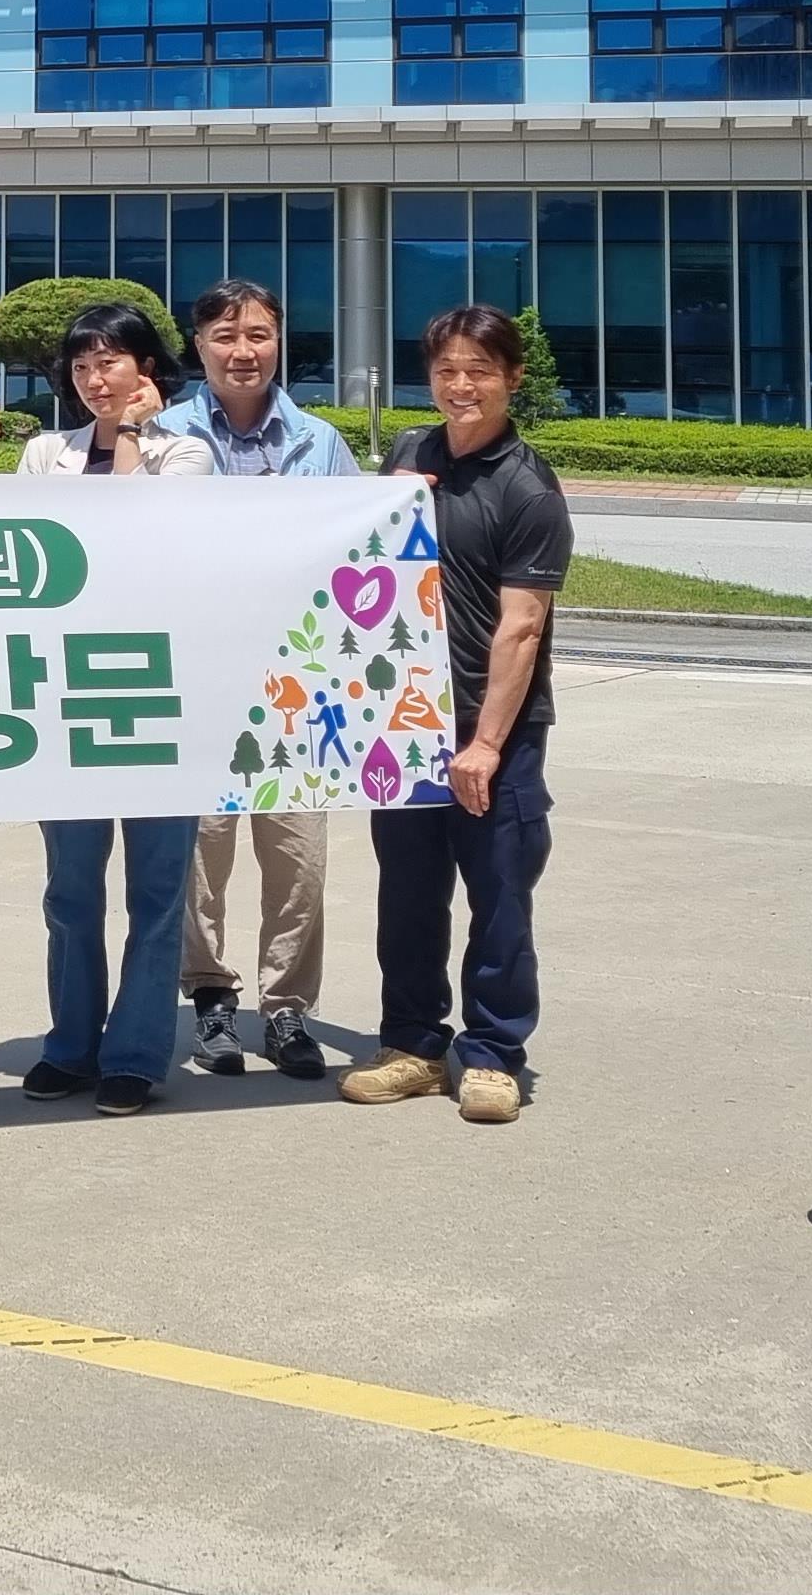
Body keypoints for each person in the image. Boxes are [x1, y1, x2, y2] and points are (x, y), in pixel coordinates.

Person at [343, 303, 571, 1129]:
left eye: (480, 370)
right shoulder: (410, 453)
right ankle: (410, 1045)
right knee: (407, 895)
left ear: (512, 378)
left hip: (492, 733)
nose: (461, 384)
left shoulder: (528, 488)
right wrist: (382, 502)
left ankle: (494, 1054)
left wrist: (484, 744)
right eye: (447, 369)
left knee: (501, 896)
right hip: (404, 723)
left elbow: (522, 627)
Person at [13, 299, 214, 1116]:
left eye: (111, 362)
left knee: (159, 889)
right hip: (65, 694)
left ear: (148, 372)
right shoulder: (43, 453)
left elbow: (136, 537)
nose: (95, 378)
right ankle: (70, 1044)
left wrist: (131, 435)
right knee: (70, 888)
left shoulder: (186, 452)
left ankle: (134, 1054)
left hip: (157, 694)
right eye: (83, 365)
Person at [161, 276, 362, 1083]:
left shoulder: (320, 444)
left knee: (298, 857)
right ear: (199, 347)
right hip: (195, 683)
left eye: (259, 334)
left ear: (280, 340)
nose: (244, 350)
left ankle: (286, 1010)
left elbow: (361, 551)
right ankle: (210, 998)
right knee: (197, 856)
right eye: (225, 336)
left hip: (297, 685)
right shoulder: (164, 435)